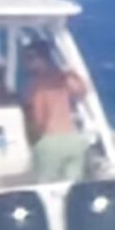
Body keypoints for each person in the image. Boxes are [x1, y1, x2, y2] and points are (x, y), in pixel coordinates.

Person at [23, 41, 91, 182]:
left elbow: (40, 118)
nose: (26, 64)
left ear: (37, 59)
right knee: (72, 188)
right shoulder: (62, 78)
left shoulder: (37, 85)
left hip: (50, 141)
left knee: (47, 191)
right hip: (73, 140)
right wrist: (70, 72)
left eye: (29, 59)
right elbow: (82, 90)